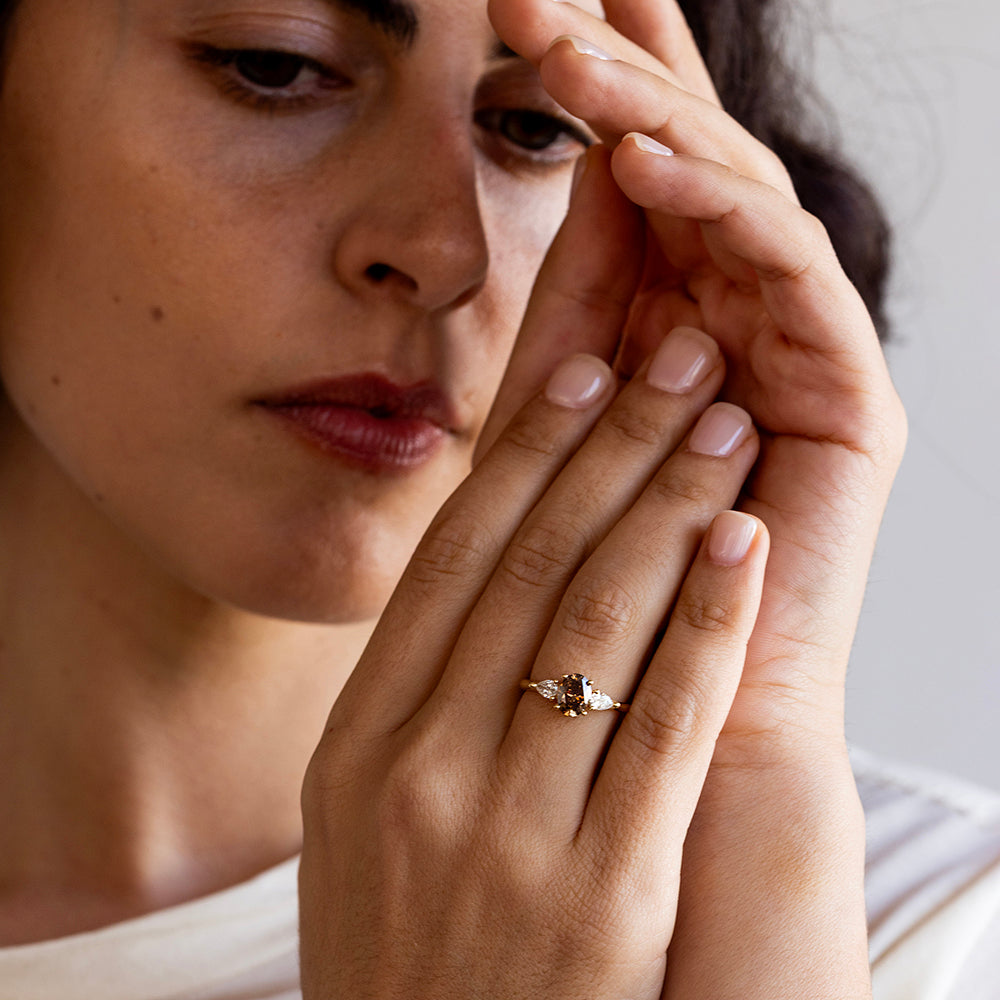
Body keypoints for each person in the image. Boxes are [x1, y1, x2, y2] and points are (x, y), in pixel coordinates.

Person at [0, 0, 997, 997]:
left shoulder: (938, 932)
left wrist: (760, 755)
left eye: (535, 126)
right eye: (274, 65)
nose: (443, 249)